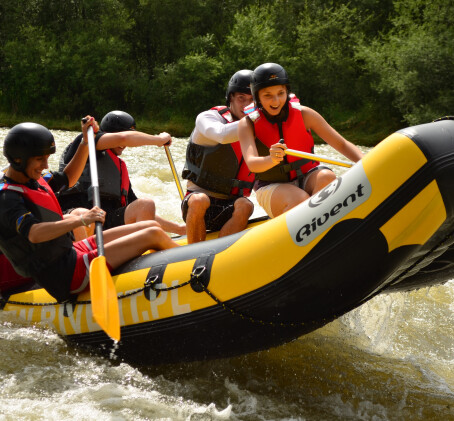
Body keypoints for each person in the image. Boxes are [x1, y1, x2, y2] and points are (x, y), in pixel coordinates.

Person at [0, 121, 178, 302]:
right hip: (65, 275)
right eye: (40, 159)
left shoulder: (33, 180)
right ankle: (183, 270)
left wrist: (86, 142)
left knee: (150, 225)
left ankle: (170, 267)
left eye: (46, 158)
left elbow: (69, 178)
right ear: (18, 159)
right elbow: (34, 233)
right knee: (152, 234)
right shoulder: (8, 199)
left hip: (70, 253)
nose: (46, 165)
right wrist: (82, 220)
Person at [238, 63, 364, 218]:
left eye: (281, 93)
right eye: (268, 95)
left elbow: (342, 144)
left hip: (307, 176)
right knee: (300, 199)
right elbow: (252, 163)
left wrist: (368, 163)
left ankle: (319, 225)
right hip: (271, 186)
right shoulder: (247, 123)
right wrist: (271, 159)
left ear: (287, 91)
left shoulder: (304, 114)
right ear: (257, 97)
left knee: (327, 177)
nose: (276, 101)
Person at [58, 110, 186, 240]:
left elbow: (141, 210)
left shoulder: (118, 167)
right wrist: (159, 140)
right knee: (84, 215)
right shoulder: (86, 141)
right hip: (78, 217)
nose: (123, 145)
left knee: (145, 205)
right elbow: (123, 138)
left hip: (106, 223)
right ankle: (83, 256)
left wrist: (178, 228)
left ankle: (140, 253)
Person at [181, 70, 256, 243]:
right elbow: (222, 135)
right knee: (200, 200)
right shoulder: (208, 118)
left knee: (245, 205)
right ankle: (195, 254)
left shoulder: (260, 128)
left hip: (230, 205)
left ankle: (220, 254)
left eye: (252, 100)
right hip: (197, 201)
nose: (246, 105)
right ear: (230, 98)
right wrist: (258, 118)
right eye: (241, 98)